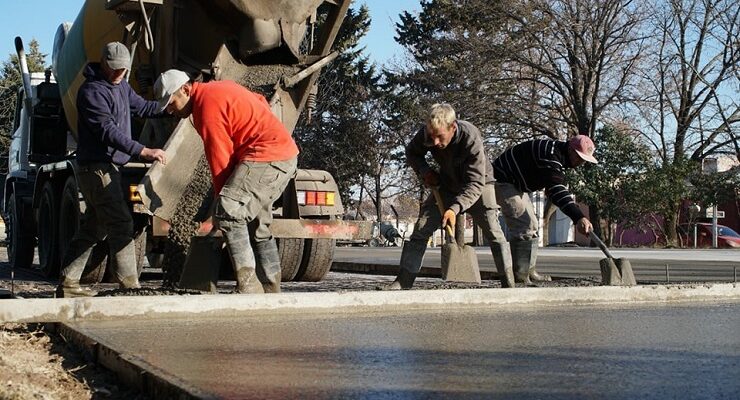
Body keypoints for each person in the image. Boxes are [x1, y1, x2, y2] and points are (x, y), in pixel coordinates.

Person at [153, 69, 299, 294]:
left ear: (185, 89)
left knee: (229, 212)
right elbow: (259, 100)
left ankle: (249, 287)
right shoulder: (219, 88)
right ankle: (270, 288)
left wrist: (219, 207)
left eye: (171, 103)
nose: (170, 110)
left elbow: (220, 158)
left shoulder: (206, 108)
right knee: (257, 226)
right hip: (282, 155)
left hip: (266, 156)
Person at [56, 42, 167, 298]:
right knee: (121, 222)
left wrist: (169, 105)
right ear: (104, 64)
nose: (119, 74)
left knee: (94, 227)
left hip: (110, 167)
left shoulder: (122, 86)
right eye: (115, 69)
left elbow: (143, 107)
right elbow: (108, 131)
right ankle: (129, 286)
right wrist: (143, 150)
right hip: (96, 169)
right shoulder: (92, 92)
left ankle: (67, 282)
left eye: (123, 69)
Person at [382, 104, 515, 290]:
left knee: (493, 231)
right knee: (421, 229)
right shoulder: (427, 133)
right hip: (447, 184)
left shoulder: (471, 137)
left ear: (453, 127)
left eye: (440, 136)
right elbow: (412, 152)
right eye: (432, 136)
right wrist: (425, 170)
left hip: (480, 184)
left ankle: (509, 282)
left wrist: (454, 208)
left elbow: (475, 183)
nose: (435, 142)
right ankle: (403, 281)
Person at [492, 135, 597, 284]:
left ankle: (529, 271)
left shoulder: (558, 156)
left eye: (584, 160)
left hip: (517, 184)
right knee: (524, 225)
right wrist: (579, 217)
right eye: (580, 158)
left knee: (532, 226)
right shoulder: (551, 156)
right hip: (503, 180)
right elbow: (556, 190)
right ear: (570, 150)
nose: (581, 163)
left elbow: (553, 189)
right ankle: (520, 276)